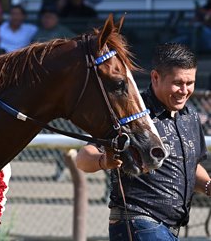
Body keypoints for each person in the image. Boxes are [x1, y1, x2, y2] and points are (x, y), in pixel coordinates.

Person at [76, 43, 210, 240]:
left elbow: (191, 165)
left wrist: (208, 185)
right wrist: (104, 161)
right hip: (138, 222)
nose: (184, 90)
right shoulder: (130, 113)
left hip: (169, 229)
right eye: (178, 83)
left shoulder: (190, 116)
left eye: (190, 83)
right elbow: (82, 158)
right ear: (155, 77)